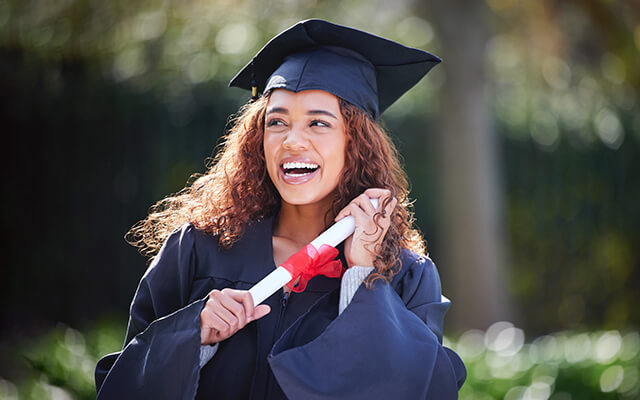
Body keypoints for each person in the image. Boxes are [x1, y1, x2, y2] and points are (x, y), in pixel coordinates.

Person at [95, 19, 466, 399]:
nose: (292, 141)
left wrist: (362, 278)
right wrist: (192, 337)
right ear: (258, 139)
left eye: (318, 123)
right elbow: (120, 386)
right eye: (277, 122)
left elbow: (420, 391)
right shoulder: (197, 249)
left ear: (355, 143)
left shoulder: (405, 275)